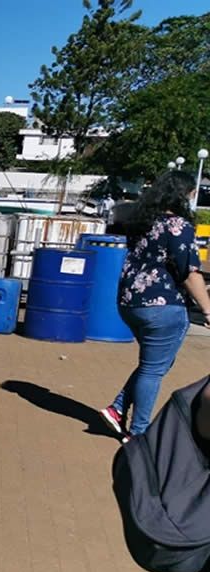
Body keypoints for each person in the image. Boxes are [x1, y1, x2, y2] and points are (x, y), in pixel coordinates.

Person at [99, 171, 210, 441]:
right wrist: (207, 308)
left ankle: (117, 409)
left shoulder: (142, 221)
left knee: (154, 363)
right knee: (154, 368)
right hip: (162, 304)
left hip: (131, 301)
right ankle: (139, 433)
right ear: (183, 194)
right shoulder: (178, 225)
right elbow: (189, 272)